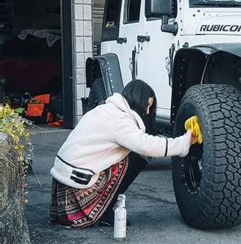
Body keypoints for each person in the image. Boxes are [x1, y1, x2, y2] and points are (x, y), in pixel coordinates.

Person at [49, 80, 195, 228]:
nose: (148, 111)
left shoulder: (106, 110)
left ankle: (103, 209)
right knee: (139, 157)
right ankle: (104, 212)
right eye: (147, 105)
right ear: (138, 99)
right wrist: (184, 143)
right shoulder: (120, 120)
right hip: (77, 187)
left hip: (64, 183)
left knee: (130, 151)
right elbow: (146, 146)